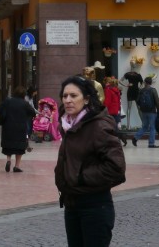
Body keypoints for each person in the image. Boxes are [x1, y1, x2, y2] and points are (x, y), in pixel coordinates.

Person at [55, 76, 126, 247]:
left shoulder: (98, 126)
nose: (68, 100)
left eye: (74, 95)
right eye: (65, 96)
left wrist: (80, 177)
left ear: (86, 99)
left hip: (95, 206)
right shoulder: (68, 125)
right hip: (72, 204)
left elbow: (116, 167)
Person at [0, 86, 37, 173]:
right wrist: (25, 116)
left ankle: (8, 160)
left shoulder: (8, 101)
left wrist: (4, 115)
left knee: (9, 146)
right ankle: (16, 166)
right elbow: (33, 112)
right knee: (19, 148)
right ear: (23, 95)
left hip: (7, 127)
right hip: (20, 128)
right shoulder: (25, 103)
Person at [132, 77, 159, 148]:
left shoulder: (141, 90)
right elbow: (156, 100)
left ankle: (135, 138)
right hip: (152, 111)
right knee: (152, 127)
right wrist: (158, 110)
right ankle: (151, 144)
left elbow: (137, 101)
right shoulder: (153, 90)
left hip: (143, 111)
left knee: (145, 127)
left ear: (145, 82)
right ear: (151, 82)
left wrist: (142, 107)